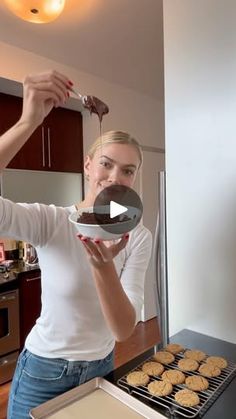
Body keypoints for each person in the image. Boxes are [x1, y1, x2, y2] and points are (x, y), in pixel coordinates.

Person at [0, 70, 152, 418]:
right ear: (87, 166)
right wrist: (27, 122)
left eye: (128, 171)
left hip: (100, 367)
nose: (115, 177)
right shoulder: (51, 220)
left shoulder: (137, 235)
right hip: (43, 371)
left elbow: (123, 329)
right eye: (106, 164)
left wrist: (103, 269)